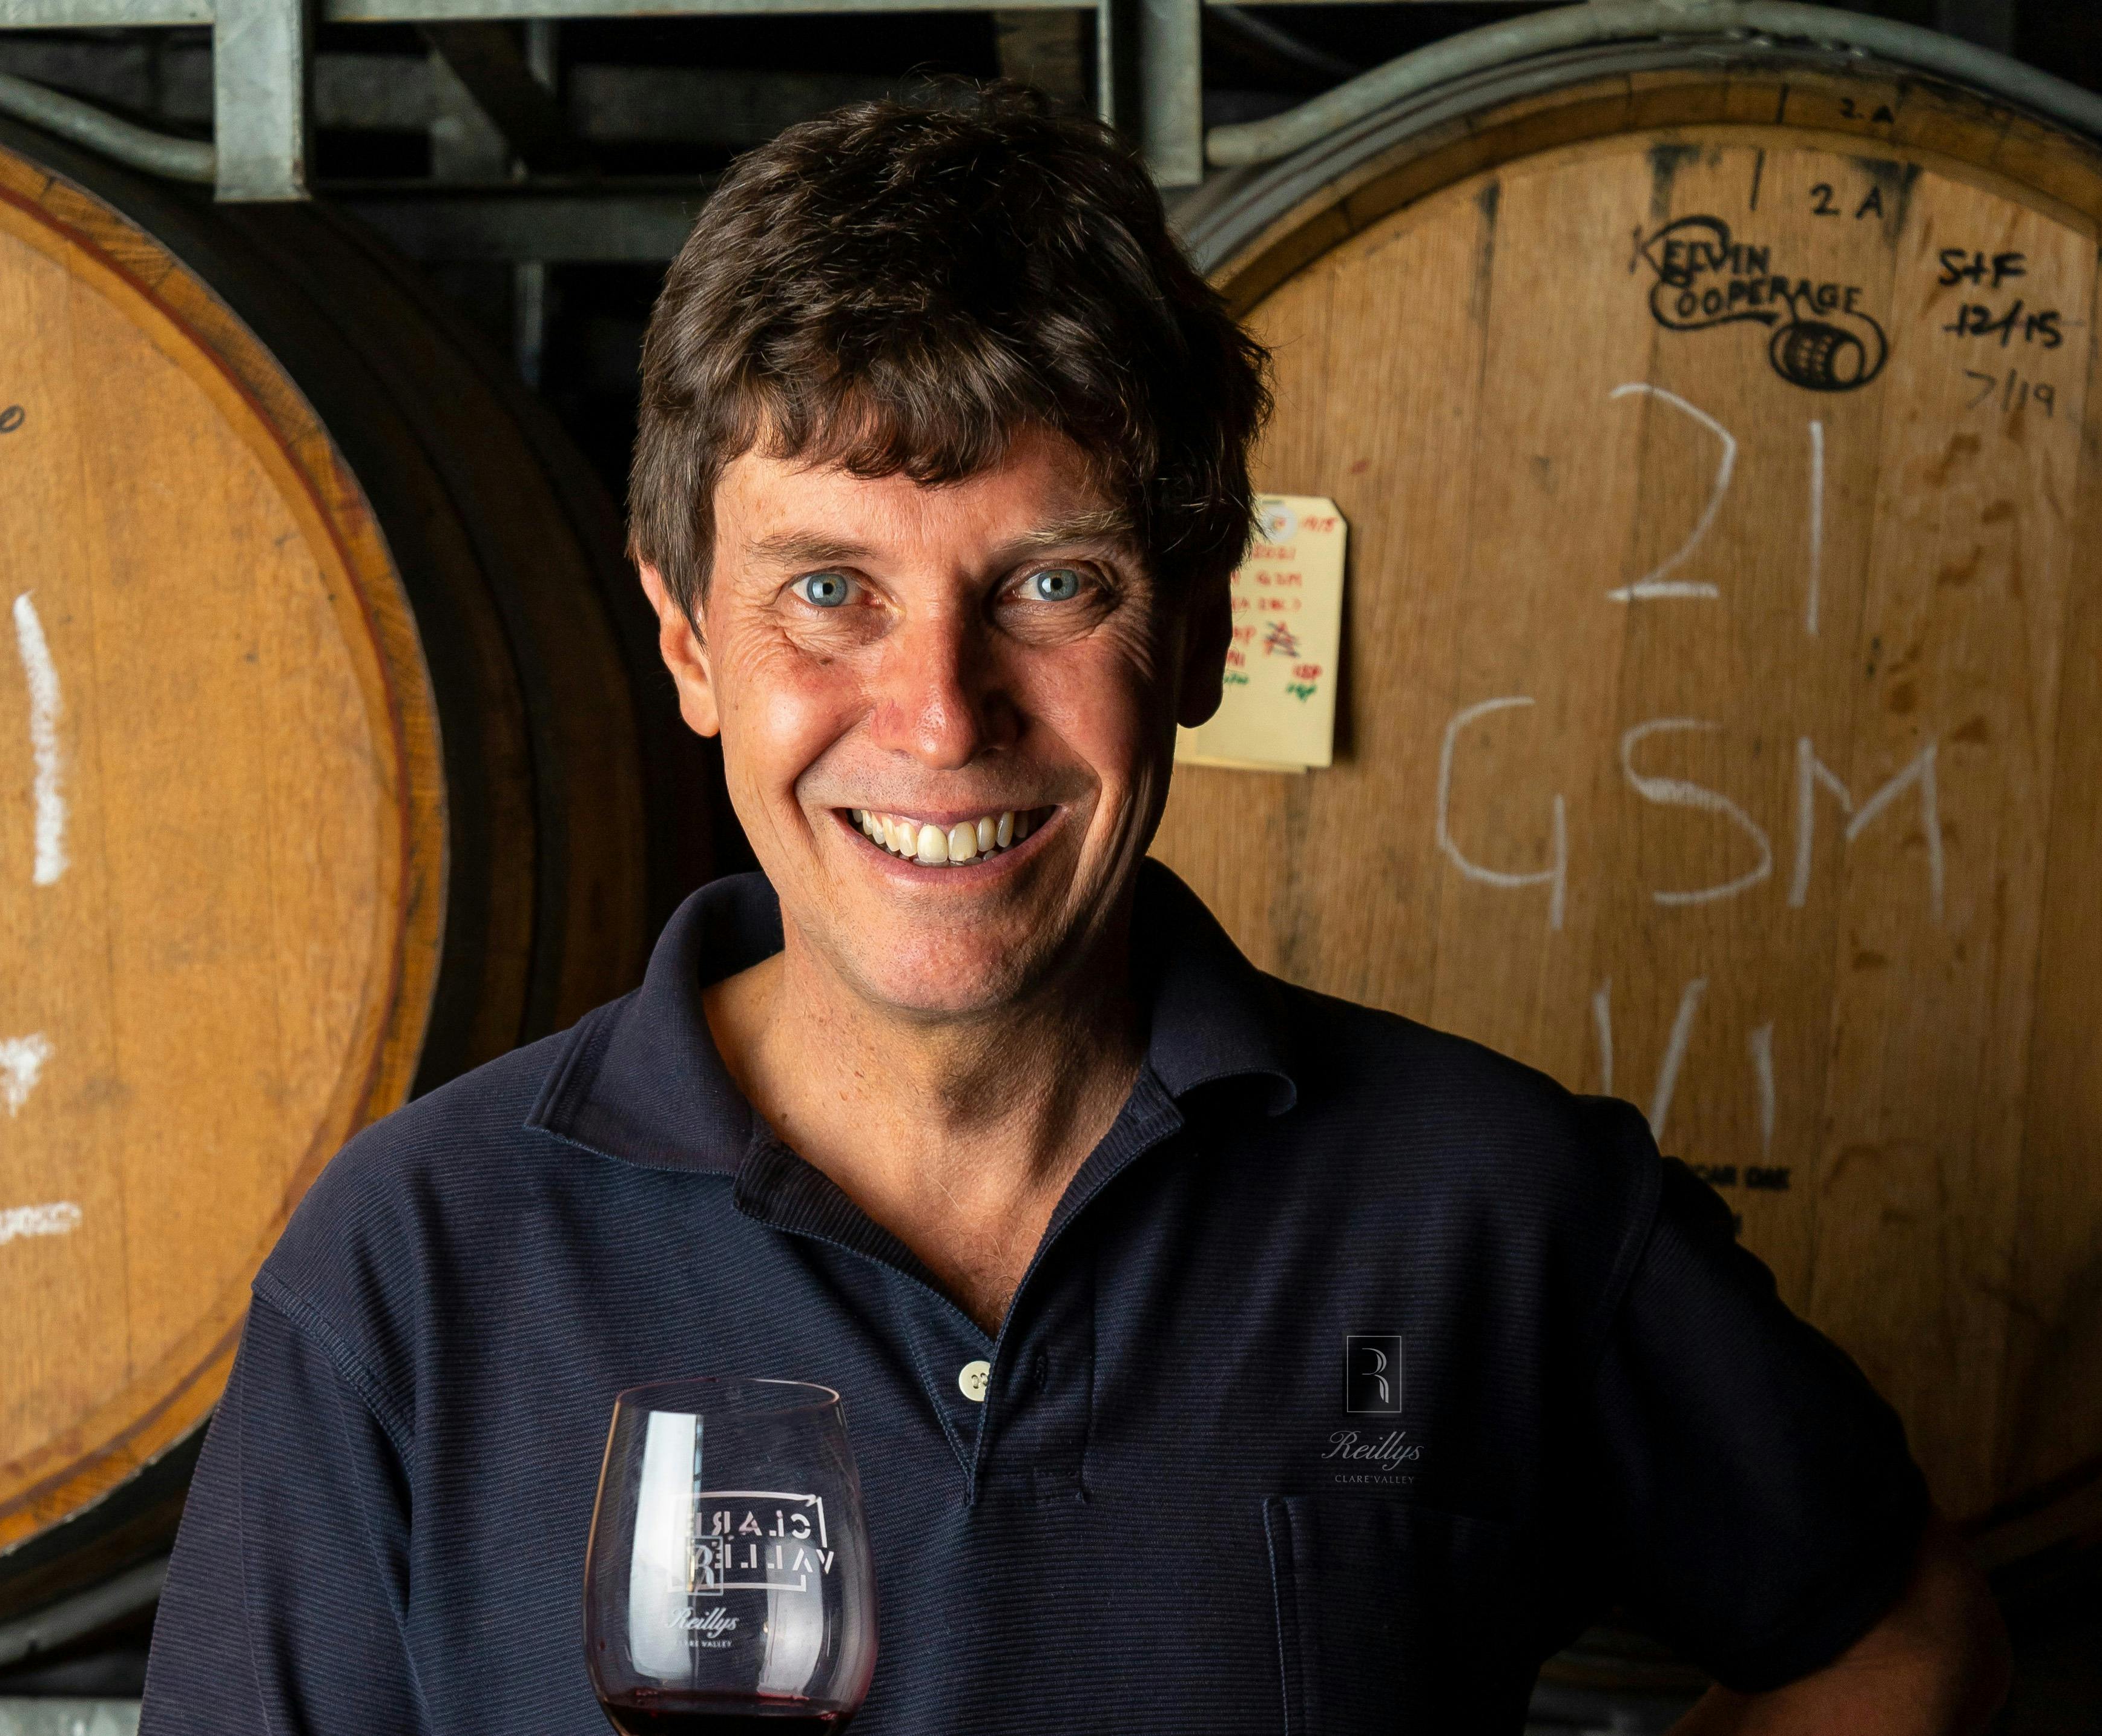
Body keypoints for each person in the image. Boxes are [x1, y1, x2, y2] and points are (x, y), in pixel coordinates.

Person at [141, 84, 2010, 1735]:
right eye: (827, 591)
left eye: (1049, 584)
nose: (939, 716)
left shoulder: (1488, 1208)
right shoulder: (415, 1264)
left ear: (1196, 631)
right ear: (687, 639)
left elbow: (1899, 1634)